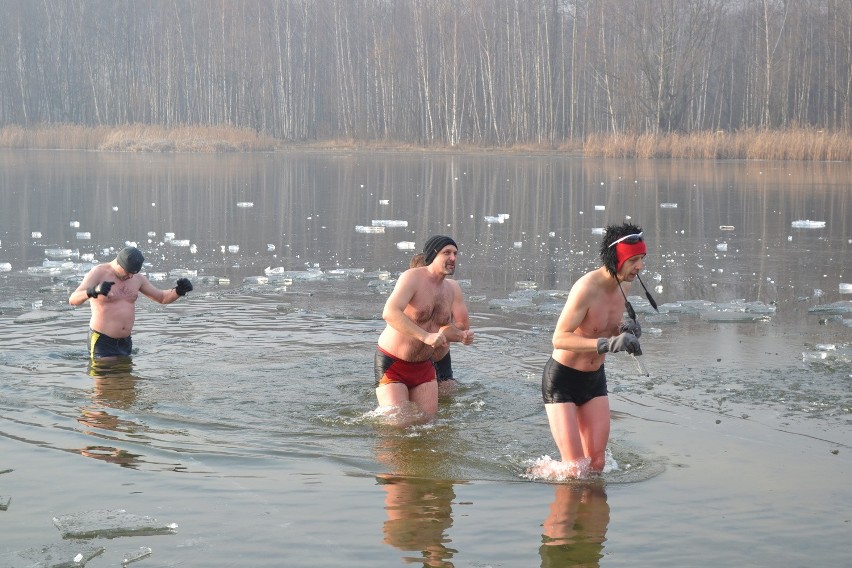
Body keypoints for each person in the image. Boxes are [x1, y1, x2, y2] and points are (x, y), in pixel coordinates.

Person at [542, 222, 645, 473]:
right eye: (633, 260)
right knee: (575, 468)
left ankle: (592, 510)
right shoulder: (586, 288)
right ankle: (533, 475)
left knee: (597, 464)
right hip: (562, 380)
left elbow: (607, 324)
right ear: (616, 259)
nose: (640, 267)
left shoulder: (625, 286)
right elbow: (559, 338)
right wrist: (609, 344)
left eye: (642, 259)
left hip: (594, 380)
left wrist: (626, 330)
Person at [375, 236, 474, 421]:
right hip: (394, 363)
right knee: (398, 425)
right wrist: (426, 336)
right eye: (447, 253)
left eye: (455, 253)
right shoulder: (412, 277)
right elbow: (389, 312)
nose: (453, 258)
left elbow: (446, 328)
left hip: (424, 366)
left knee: (427, 427)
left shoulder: (452, 288)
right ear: (432, 255)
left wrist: (461, 335)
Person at [68, 246, 193, 359]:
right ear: (119, 263)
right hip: (102, 340)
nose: (130, 276)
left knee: (127, 383)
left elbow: (161, 297)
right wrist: (93, 291)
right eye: (128, 272)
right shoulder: (99, 273)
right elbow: (73, 300)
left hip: (125, 343)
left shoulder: (137, 279)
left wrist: (179, 291)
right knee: (105, 382)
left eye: (134, 273)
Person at [408, 252, 471, 395]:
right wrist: (423, 335)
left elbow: (463, 325)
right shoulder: (409, 288)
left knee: (446, 398)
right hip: (411, 359)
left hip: (439, 358)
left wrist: (441, 334)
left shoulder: (451, 288)